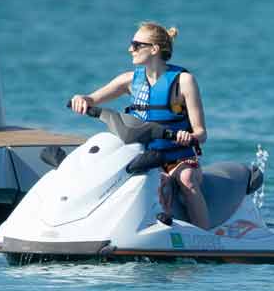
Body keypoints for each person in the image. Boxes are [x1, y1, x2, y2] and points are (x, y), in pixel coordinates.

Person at [70, 22, 210, 229]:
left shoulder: (184, 81)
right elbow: (92, 98)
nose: (130, 49)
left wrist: (188, 136)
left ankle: (204, 235)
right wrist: (81, 98)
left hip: (179, 159)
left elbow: (202, 133)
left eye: (136, 45)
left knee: (186, 179)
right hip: (142, 157)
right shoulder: (129, 80)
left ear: (154, 49)